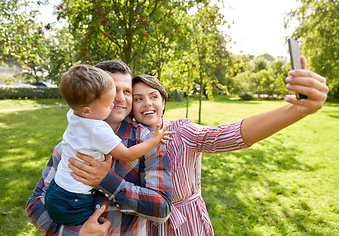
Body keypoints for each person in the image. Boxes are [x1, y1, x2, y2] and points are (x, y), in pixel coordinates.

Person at [130, 56, 328, 235]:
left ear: (163, 102)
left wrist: (297, 110)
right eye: (138, 99)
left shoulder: (182, 132)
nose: (147, 103)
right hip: (144, 227)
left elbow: (229, 134)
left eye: (153, 96)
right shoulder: (126, 140)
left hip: (186, 225)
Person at [26, 60, 173, 235]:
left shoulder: (145, 140)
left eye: (127, 92)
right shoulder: (72, 143)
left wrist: (106, 180)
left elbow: (162, 209)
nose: (119, 98)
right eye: (113, 90)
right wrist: (76, 233)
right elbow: (35, 202)